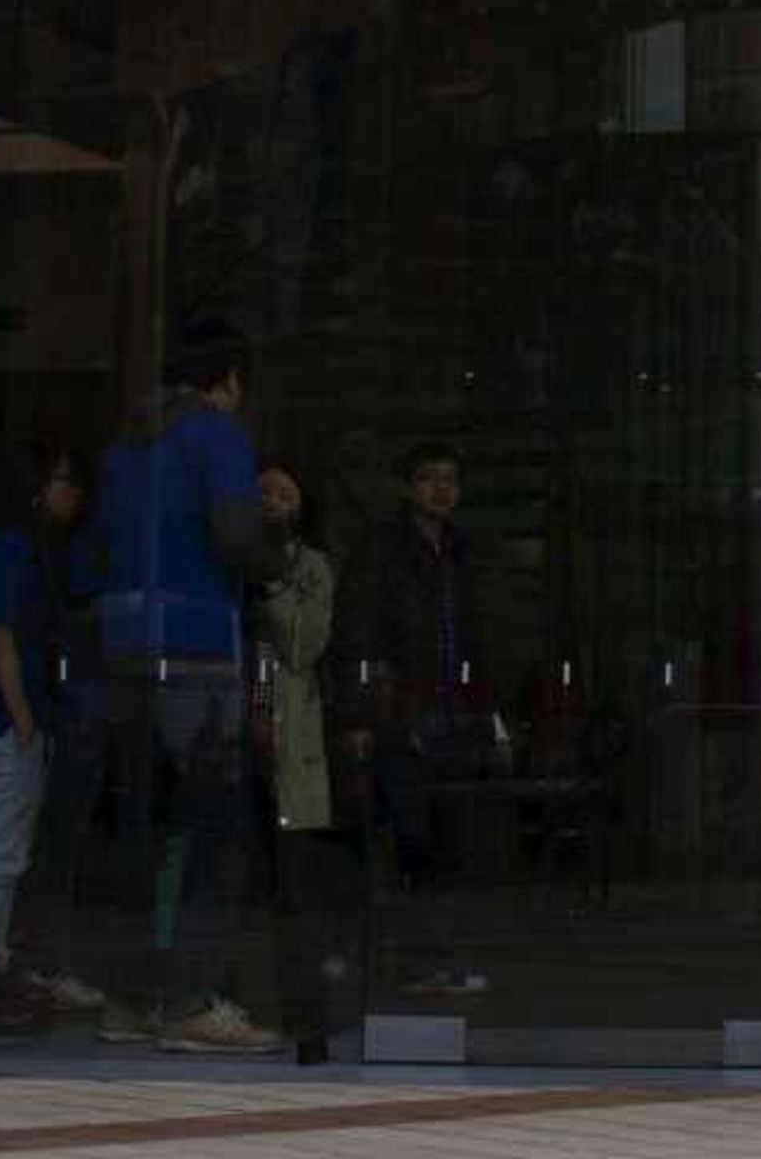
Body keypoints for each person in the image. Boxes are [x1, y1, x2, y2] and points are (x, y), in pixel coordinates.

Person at [87, 319, 287, 1053]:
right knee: (216, 831)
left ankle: (128, 997)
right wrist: (280, 557)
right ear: (225, 380)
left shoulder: (123, 447)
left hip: (127, 652)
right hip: (199, 653)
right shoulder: (216, 435)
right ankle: (191, 1001)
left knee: (144, 832)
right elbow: (235, 539)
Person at [0, 445, 102, 1033]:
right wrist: (21, 719)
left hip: (20, 716)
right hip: (10, 719)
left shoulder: (35, 552)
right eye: (65, 481)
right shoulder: (13, 551)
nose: (74, 493)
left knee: (5, 849)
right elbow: (1, 638)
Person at [350, 439, 495, 1001]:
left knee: (449, 840)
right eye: (430, 477)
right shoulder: (383, 549)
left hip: (451, 715)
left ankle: (435, 959)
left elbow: (477, 635)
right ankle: (409, 962)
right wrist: (363, 711)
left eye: (450, 479)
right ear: (409, 486)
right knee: (409, 838)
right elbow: (358, 632)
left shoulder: (462, 552)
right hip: (401, 713)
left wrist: (485, 710)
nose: (441, 488)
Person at [248, 460, 356, 1060]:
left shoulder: (310, 567)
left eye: (284, 493)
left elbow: (300, 645)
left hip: (291, 750)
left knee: (297, 892)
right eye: (261, 491)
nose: (271, 502)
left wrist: (270, 582)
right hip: (228, 739)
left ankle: (305, 1023)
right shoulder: (223, 564)